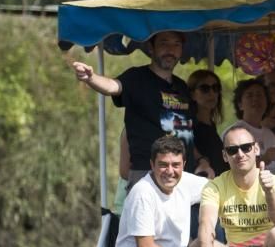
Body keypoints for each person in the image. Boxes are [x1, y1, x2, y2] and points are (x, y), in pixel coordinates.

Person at [71, 30, 213, 187]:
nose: (170, 50)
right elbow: (113, 86)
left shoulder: (182, 87)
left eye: (176, 44)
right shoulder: (136, 78)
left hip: (182, 178)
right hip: (147, 176)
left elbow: (187, 135)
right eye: (164, 43)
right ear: (151, 48)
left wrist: (202, 161)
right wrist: (91, 78)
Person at [193, 126, 275, 247]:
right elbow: (206, 223)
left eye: (246, 148)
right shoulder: (214, 186)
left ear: (256, 149)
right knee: (199, 246)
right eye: (232, 150)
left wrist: (269, 191)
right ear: (224, 156)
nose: (240, 154)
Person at [115, 135, 208, 247]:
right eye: (163, 165)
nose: (170, 171)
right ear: (152, 165)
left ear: (183, 164)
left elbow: (219, 190)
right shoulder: (142, 192)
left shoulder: (186, 181)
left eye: (176, 165)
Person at [187, 69, 229, 176]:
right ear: (192, 94)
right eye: (205, 89)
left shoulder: (211, 125)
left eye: (216, 88)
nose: (212, 93)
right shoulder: (188, 127)